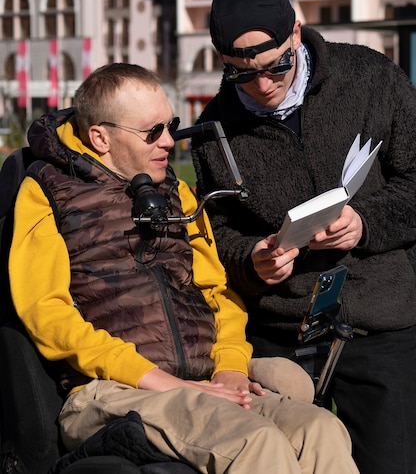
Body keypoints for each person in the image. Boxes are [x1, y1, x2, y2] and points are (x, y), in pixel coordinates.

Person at [8, 63, 358, 474]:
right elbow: (46, 314)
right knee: (257, 444)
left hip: (203, 381)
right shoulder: (45, 192)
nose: (169, 141)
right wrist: (163, 382)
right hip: (111, 391)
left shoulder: (177, 194)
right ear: (101, 137)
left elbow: (219, 293)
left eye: (171, 125)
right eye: (152, 131)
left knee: (321, 429)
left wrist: (228, 368)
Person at [191, 0, 416, 474]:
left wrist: (366, 222)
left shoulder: (372, 78)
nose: (263, 84)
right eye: (241, 74)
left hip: (382, 316)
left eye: (276, 66)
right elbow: (215, 235)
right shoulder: (213, 130)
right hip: (283, 327)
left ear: (295, 32)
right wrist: (251, 259)